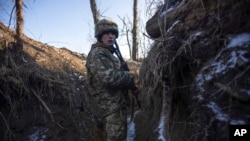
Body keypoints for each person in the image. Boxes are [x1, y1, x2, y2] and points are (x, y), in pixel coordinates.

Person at [86, 18, 139, 141]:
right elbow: (109, 78)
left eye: (113, 34)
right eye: (107, 33)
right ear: (100, 36)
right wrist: (131, 76)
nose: (111, 37)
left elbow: (117, 77)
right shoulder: (98, 53)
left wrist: (132, 87)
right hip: (112, 108)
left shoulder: (108, 53)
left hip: (117, 107)